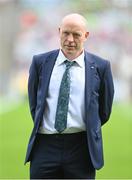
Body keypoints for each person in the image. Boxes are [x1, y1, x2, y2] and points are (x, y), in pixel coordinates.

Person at [25, 13, 114, 179]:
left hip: (81, 148)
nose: (70, 40)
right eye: (66, 33)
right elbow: (35, 105)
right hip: (45, 146)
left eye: (76, 35)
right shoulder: (39, 63)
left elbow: (104, 111)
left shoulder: (102, 67)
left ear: (86, 35)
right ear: (59, 32)